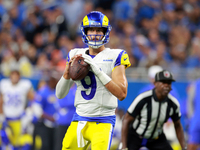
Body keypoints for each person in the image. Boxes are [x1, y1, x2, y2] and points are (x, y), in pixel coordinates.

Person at [56, 11, 131, 150]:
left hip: (102, 121)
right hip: (79, 119)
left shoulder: (116, 55)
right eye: (91, 30)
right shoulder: (75, 55)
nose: (95, 33)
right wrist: (66, 74)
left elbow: (122, 94)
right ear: (85, 32)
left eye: (98, 30)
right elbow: (59, 94)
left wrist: (97, 70)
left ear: (105, 33)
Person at [120, 70, 187, 150]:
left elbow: (178, 125)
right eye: (163, 82)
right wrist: (124, 146)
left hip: (156, 137)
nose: (166, 85)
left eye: (168, 83)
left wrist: (184, 147)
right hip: (136, 136)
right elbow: (126, 120)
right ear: (155, 83)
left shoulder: (173, 103)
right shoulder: (143, 99)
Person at [0, 69, 35, 150]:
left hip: (20, 120)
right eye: (13, 75)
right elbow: (1, 101)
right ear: (10, 76)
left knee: (24, 143)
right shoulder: (4, 84)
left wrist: (29, 111)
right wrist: (1, 115)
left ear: (20, 77)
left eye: (17, 75)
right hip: (6, 119)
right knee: (5, 143)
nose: (15, 77)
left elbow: (34, 99)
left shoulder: (24, 85)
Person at [186, 79, 200, 150]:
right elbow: (190, 103)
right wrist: (192, 118)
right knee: (192, 146)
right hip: (196, 122)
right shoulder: (196, 85)